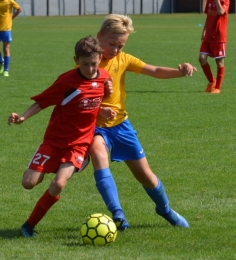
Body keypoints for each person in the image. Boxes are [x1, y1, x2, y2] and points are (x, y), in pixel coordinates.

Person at [87, 14, 197, 231]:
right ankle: (118, 215)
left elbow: (154, 70)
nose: (116, 50)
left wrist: (179, 72)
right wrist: (98, 109)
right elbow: (75, 96)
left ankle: (165, 209)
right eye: (112, 44)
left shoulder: (123, 59)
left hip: (121, 125)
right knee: (99, 155)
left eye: (121, 45)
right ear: (100, 36)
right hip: (96, 126)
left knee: (145, 175)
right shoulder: (87, 63)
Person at [8, 36, 116, 237]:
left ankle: (28, 226)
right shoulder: (66, 81)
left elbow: (90, 103)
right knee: (28, 183)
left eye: (94, 63)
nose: (90, 69)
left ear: (100, 58)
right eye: (85, 64)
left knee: (58, 184)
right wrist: (22, 116)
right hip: (54, 141)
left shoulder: (103, 77)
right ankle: (39, 168)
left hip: (79, 144)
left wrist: (103, 111)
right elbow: (42, 102)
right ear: (76, 61)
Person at [199, 0, 230, 94]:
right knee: (202, 58)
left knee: (219, 61)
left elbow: (221, 12)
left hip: (219, 36)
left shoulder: (225, 1)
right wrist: (204, 31)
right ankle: (212, 82)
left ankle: (218, 88)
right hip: (208, 35)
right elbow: (208, 16)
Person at [0, 0, 22, 77]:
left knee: (6, 49)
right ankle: (2, 62)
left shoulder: (10, 1)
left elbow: (19, 9)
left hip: (6, 29)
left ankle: (6, 70)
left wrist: (12, 17)